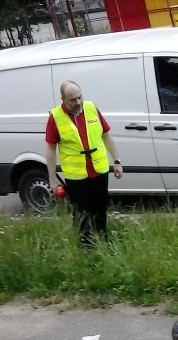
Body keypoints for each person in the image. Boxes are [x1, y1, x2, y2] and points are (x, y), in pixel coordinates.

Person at [45, 81, 123, 248]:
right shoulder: (55, 117)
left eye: (80, 97)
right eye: (73, 99)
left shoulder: (91, 108)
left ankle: (104, 242)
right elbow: (50, 148)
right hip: (76, 175)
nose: (78, 102)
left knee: (100, 210)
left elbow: (106, 135)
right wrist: (52, 178)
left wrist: (117, 161)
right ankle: (86, 247)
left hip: (99, 170)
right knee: (81, 214)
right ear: (63, 99)